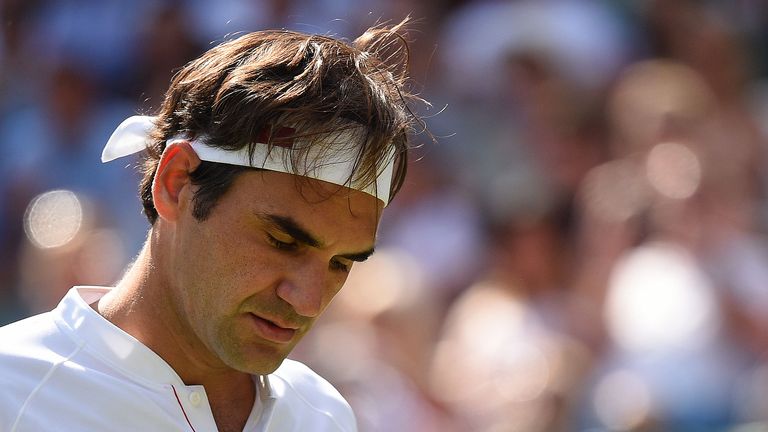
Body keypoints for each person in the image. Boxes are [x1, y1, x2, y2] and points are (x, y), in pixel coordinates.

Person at [0, 18, 424, 432]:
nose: (309, 301)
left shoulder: (325, 414)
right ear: (176, 182)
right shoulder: (11, 391)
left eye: (340, 264)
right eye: (282, 241)